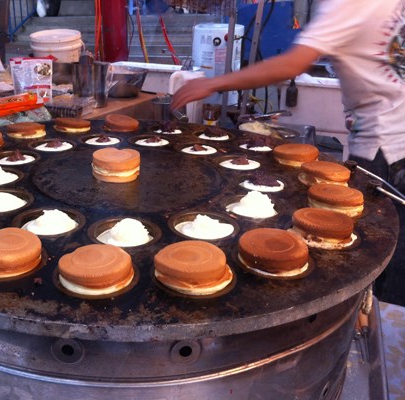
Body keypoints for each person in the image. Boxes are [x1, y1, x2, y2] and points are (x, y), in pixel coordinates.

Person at [172, 0, 405, 304]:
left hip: (386, 148)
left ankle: (384, 332)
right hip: (389, 139)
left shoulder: (347, 3)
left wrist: (213, 83)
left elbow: (291, 64)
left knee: (384, 258)